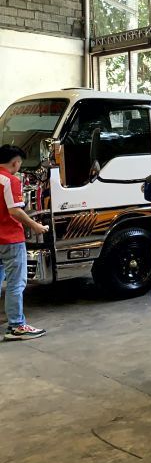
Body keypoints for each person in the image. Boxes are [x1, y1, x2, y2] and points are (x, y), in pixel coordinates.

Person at [0, 145, 48, 340]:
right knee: (15, 283)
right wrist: (35, 225)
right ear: (15, 162)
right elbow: (14, 211)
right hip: (10, 239)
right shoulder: (10, 180)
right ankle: (16, 326)